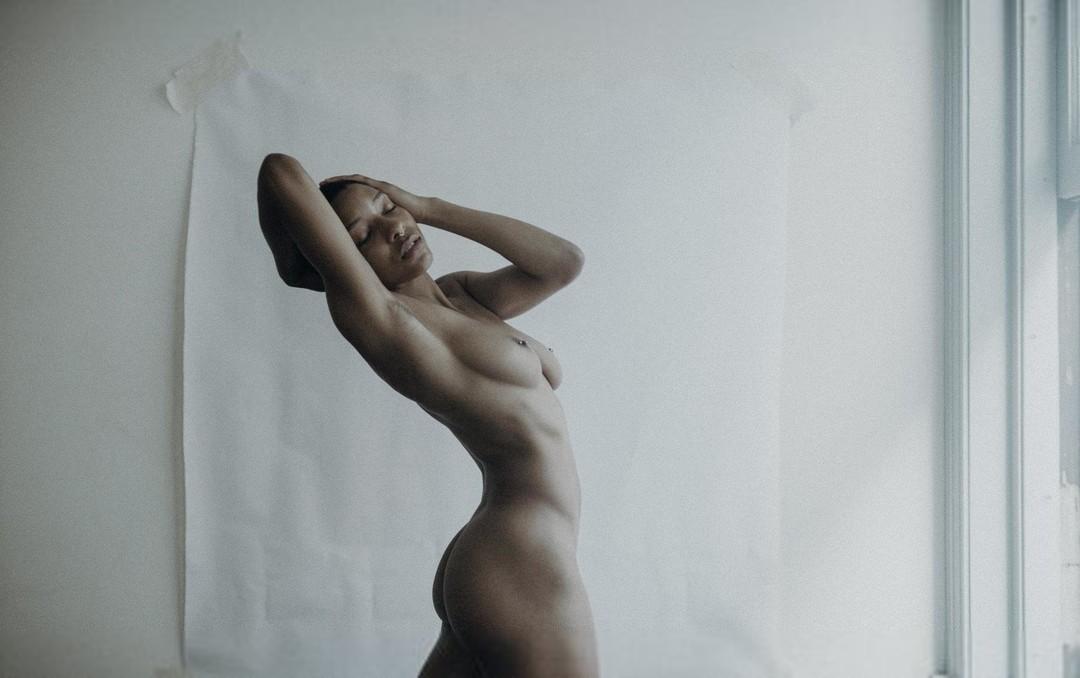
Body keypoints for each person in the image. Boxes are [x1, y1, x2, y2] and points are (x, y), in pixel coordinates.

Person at [256, 153, 600, 677]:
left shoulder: (464, 296)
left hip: (507, 553)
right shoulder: (386, 320)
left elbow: (562, 263)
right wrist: (302, 268)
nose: (393, 228)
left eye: (387, 208)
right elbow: (280, 171)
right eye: (363, 235)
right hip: (521, 559)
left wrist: (427, 206)